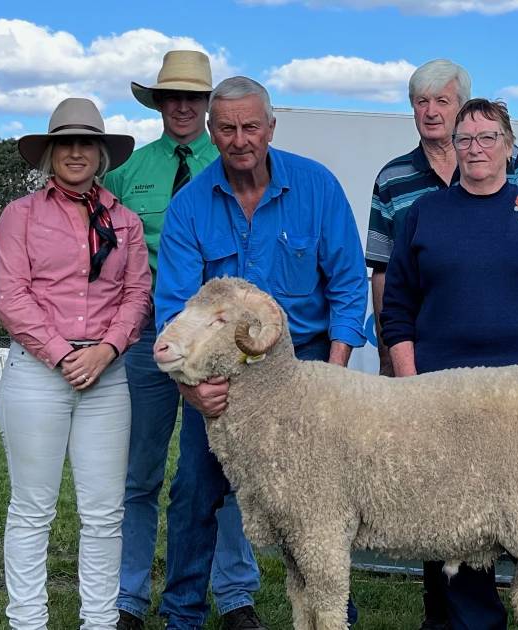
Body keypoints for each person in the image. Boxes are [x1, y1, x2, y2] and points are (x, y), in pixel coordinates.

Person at [153, 76, 368, 629]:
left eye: (251, 126)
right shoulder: (189, 206)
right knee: (196, 488)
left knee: (318, 498)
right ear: (211, 131)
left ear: (270, 127)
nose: (240, 138)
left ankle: (332, 617)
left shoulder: (317, 187)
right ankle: (183, 616)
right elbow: (175, 308)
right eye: (227, 127)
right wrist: (192, 389)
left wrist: (331, 375)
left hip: (306, 368)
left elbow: (348, 284)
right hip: (224, 378)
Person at [381, 98, 518, 630]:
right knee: (450, 523)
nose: (475, 148)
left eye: (487, 137)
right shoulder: (422, 216)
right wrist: (409, 391)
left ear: (509, 145)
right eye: (465, 139)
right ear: (451, 148)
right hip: (444, 400)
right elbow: (398, 309)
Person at [363, 58, 518, 630]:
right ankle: (448, 620)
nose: (431, 111)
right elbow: (386, 278)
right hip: (434, 360)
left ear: (463, 106)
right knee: (439, 495)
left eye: (442, 101)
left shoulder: (515, 169)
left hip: (508, 366)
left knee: (512, 494)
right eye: (421, 102)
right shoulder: (393, 179)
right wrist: (395, 357)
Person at [103, 50, 266, 630]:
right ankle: (126, 598)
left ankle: (236, 593)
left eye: (193, 98)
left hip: (217, 342)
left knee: (219, 471)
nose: (182, 106)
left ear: (208, 108)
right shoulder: (127, 174)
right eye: (171, 97)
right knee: (140, 472)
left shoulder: (234, 164)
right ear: (158, 103)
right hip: (147, 334)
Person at [0, 97, 151, 629]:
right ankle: (27, 621)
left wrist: (107, 349)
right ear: (51, 153)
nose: (77, 152)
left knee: (104, 513)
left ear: (101, 154)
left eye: (87, 143)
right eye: (67, 143)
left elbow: (137, 293)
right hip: (39, 373)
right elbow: (11, 296)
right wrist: (62, 355)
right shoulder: (20, 216)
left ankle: (100, 621)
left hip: (106, 374)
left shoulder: (124, 222)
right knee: (33, 507)